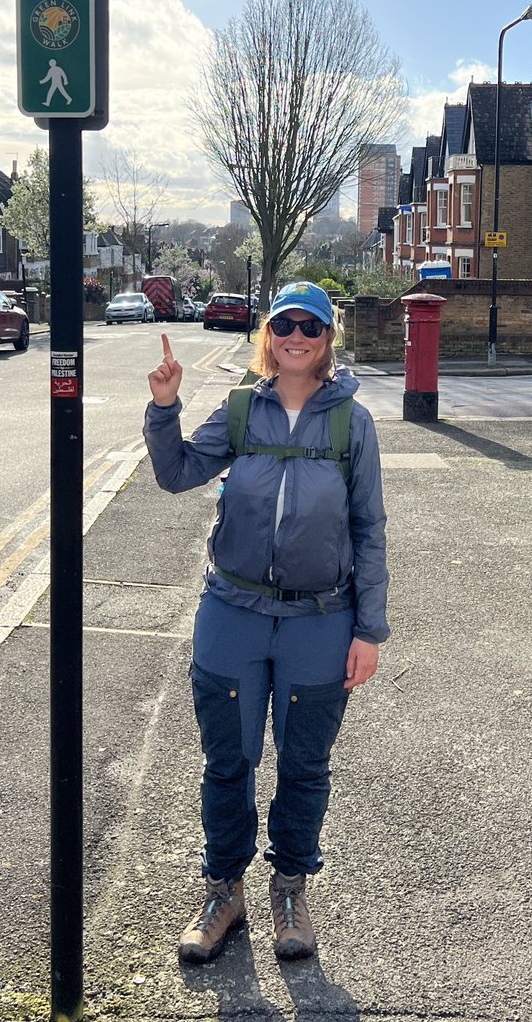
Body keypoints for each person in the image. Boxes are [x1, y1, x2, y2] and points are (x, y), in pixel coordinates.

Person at [143, 281, 388, 964]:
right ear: (268, 335)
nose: (298, 337)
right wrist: (165, 407)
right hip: (234, 612)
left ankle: (289, 890)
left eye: (312, 327)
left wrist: (370, 630)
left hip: (320, 618)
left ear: (328, 338)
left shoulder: (351, 423)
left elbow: (369, 529)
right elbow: (178, 472)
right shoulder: (242, 409)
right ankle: (224, 891)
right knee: (228, 760)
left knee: (305, 764)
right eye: (286, 324)